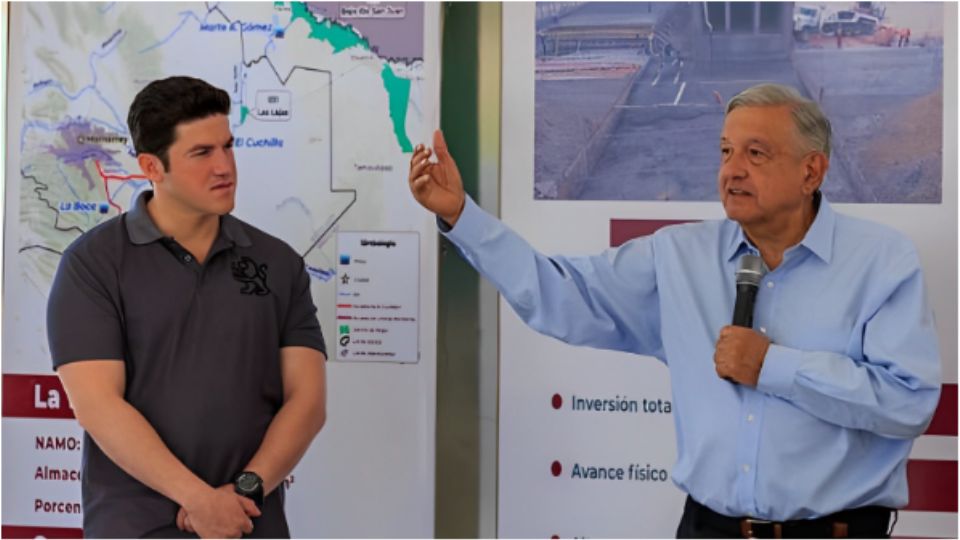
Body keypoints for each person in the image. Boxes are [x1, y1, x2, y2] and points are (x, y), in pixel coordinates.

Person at [407, 83, 940, 538]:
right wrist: (461, 215)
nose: (732, 171)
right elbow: (562, 295)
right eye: (726, 151)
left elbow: (907, 403)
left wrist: (773, 367)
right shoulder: (677, 257)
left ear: (811, 171)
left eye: (756, 154)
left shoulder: (880, 261)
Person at [47, 76, 328, 538]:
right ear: (151, 167)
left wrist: (244, 494)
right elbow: (97, 404)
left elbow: (308, 402)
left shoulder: (277, 264)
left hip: (249, 522)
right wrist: (198, 499)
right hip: (135, 526)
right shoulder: (93, 264)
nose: (225, 167)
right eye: (202, 153)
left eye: (228, 147)